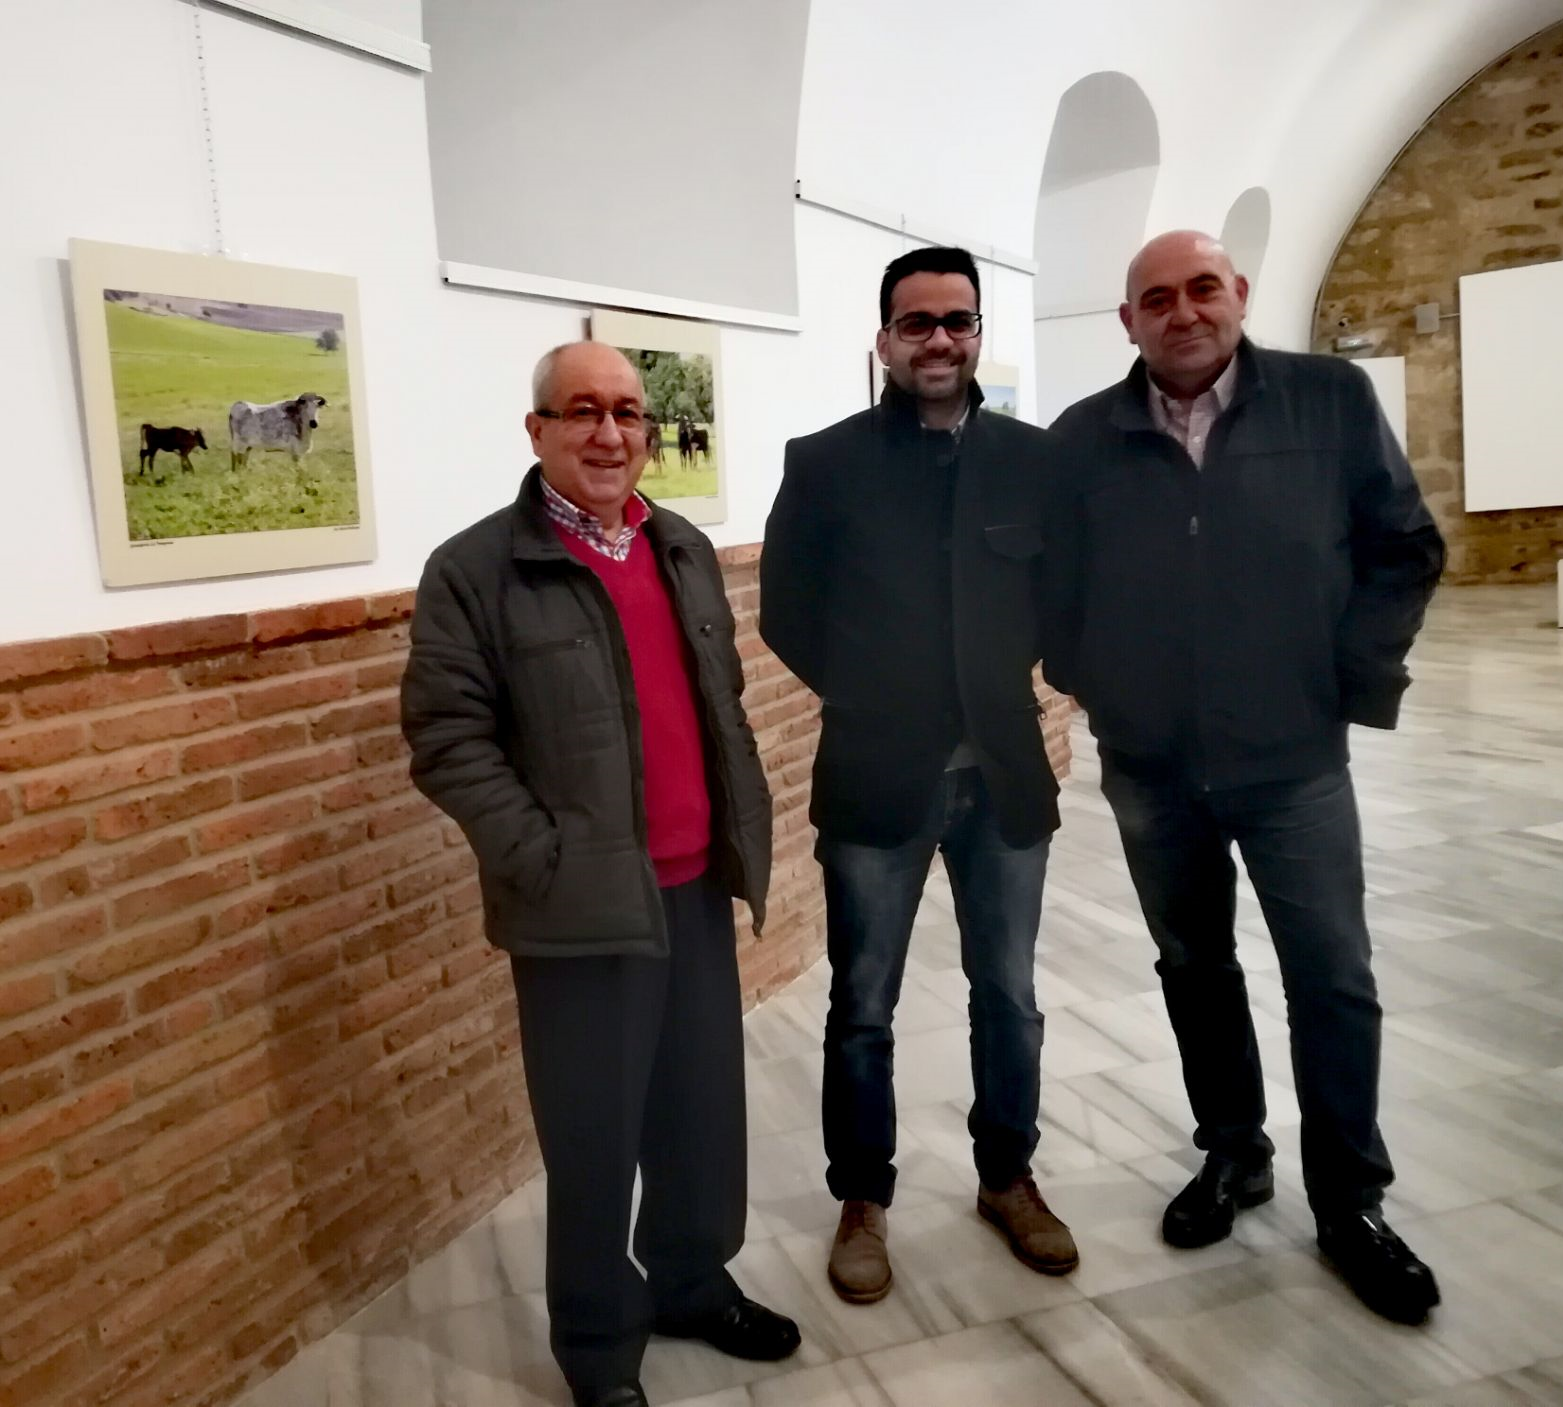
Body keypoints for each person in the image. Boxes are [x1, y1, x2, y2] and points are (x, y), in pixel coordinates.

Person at [1045, 231, 1446, 1325]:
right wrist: (1099, 684)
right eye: (1156, 298)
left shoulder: (1326, 402)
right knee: (1193, 964)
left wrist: (1347, 683)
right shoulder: (1083, 438)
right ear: (1126, 321)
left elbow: (1402, 546)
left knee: (1332, 975)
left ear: (1239, 297)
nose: (1184, 312)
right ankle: (1233, 1152)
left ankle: (1351, 1204)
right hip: (1152, 767)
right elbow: (1050, 586)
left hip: (1293, 760)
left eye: (1203, 289)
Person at [401, 342, 799, 1407]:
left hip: (693, 887)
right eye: (581, 412)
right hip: (579, 911)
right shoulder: (476, 569)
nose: (610, 433)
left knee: (699, 1117)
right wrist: (542, 857)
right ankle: (597, 1348)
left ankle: (689, 1282)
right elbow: (446, 739)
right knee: (593, 1140)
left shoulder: (680, 549)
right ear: (536, 431)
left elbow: (713, 708)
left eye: (629, 413)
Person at [761, 246, 1077, 1305]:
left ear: (979, 330)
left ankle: (1008, 1177)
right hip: (875, 775)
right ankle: (862, 1197)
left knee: (1010, 998)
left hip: (1003, 778)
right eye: (917, 322)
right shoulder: (825, 461)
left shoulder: (1033, 463)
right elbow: (786, 610)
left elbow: (1060, 599)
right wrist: (874, 694)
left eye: (957, 319)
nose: (938, 338)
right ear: (884, 337)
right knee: (862, 1005)